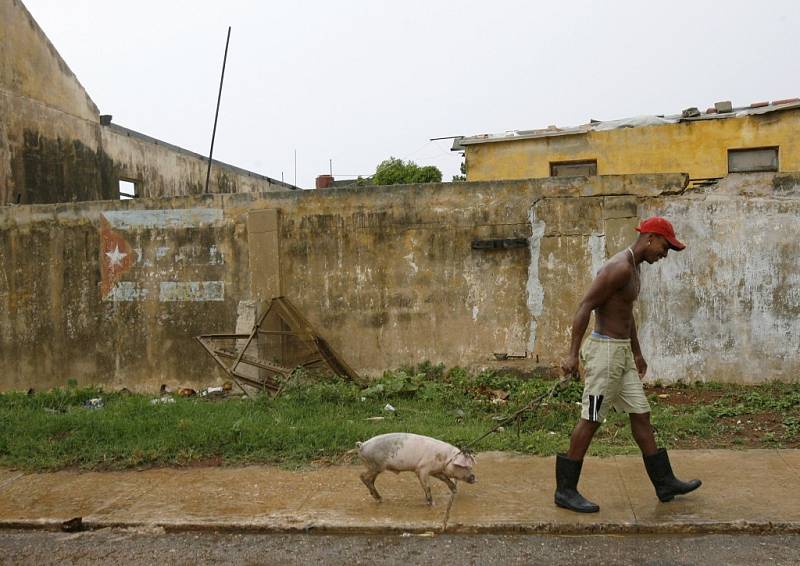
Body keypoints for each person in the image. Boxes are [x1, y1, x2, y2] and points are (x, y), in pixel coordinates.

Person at [555, 216, 701, 513]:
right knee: (592, 417)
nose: (665, 254)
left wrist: (636, 351)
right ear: (650, 238)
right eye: (665, 246)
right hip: (605, 356)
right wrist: (571, 354)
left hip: (621, 354)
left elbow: (626, 313)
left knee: (641, 414)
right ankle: (565, 491)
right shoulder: (619, 267)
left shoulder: (634, 268)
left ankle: (664, 482)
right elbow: (586, 306)